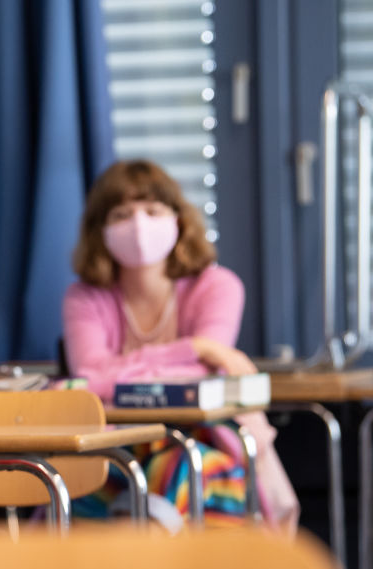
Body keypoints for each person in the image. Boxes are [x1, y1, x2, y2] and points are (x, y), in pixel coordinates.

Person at [63, 159, 298, 531]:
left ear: (178, 219)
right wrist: (195, 348)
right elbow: (89, 374)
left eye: (153, 210)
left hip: (213, 444)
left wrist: (120, 372)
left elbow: (200, 380)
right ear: (100, 230)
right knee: (90, 483)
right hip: (118, 445)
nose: (138, 224)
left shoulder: (218, 287)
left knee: (175, 471)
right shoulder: (84, 297)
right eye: (122, 213)